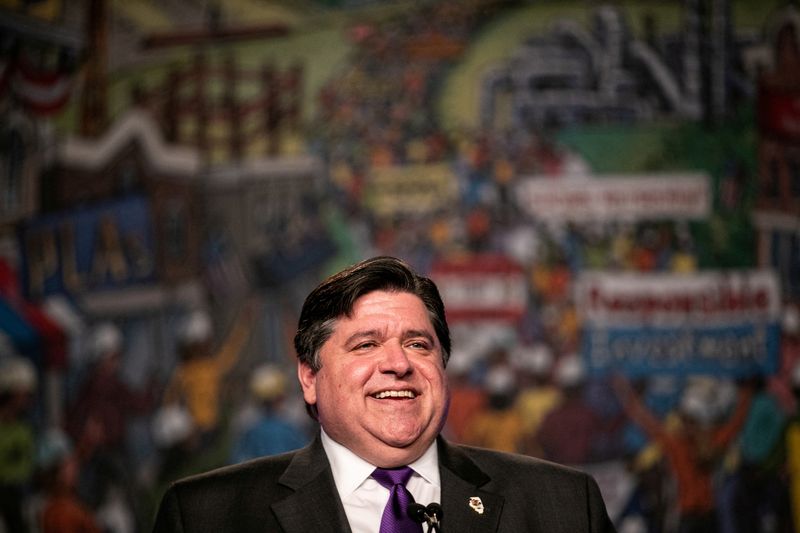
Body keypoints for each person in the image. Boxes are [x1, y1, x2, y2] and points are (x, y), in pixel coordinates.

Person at [153, 256, 616, 532]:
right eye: (366, 344)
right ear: (309, 378)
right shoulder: (206, 519)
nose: (398, 363)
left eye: (418, 344)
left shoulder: (565, 508)